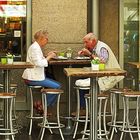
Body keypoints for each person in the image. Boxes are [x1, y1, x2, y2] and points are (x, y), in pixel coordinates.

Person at [72, 32, 124, 116]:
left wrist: (89, 54)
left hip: (109, 77)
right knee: (80, 84)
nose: (85, 44)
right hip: (102, 76)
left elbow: (102, 61)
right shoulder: (96, 47)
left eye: (86, 42)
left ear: (92, 41)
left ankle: (86, 110)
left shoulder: (102, 47)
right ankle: (87, 110)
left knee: (81, 85)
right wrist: (88, 54)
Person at [22, 29, 61, 114]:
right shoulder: (35, 48)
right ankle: (42, 106)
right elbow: (39, 63)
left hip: (35, 76)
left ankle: (40, 104)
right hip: (33, 78)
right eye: (46, 39)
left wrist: (46, 55)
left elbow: (37, 60)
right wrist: (49, 57)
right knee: (57, 86)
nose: (47, 40)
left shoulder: (36, 47)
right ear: (41, 38)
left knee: (54, 83)